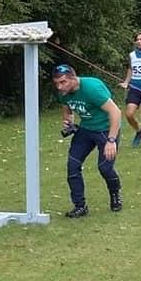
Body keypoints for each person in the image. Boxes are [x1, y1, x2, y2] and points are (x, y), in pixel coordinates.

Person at [52, 64, 123, 218]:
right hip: (86, 129)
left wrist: (111, 140)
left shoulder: (92, 88)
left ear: (73, 78)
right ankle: (80, 206)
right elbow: (67, 110)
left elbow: (115, 112)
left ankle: (115, 194)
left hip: (105, 130)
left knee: (105, 168)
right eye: (56, 83)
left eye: (63, 82)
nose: (59, 87)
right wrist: (69, 123)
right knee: (73, 165)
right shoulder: (63, 93)